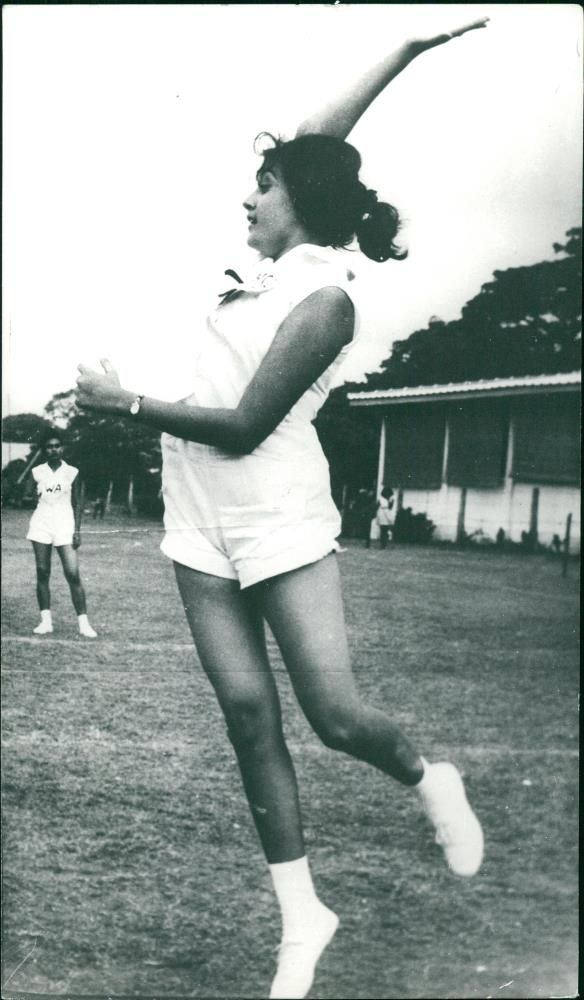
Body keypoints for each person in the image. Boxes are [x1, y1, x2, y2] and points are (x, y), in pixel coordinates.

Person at [76, 18, 488, 999]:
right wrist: (406, 51)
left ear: (298, 204)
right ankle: (302, 917)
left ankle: (432, 780)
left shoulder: (326, 300)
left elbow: (246, 423)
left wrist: (125, 400)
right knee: (246, 714)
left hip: (279, 517)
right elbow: (313, 133)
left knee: (335, 715)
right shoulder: (266, 266)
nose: (246, 197)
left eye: (261, 189)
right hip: (197, 523)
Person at [26, 431, 97, 638]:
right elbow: (28, 495)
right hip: (41, 524)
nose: (54, 449)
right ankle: (46, 621)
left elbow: (77, 503)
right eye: (49, 446)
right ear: (44, 450)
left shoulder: (72, 472)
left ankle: (84, 624)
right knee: (42, 571)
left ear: (62, 448)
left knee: (72, 573)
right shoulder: (37, 471)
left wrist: (77, 530)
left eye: (57, 445)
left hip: (65, 525)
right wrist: (31, 492)